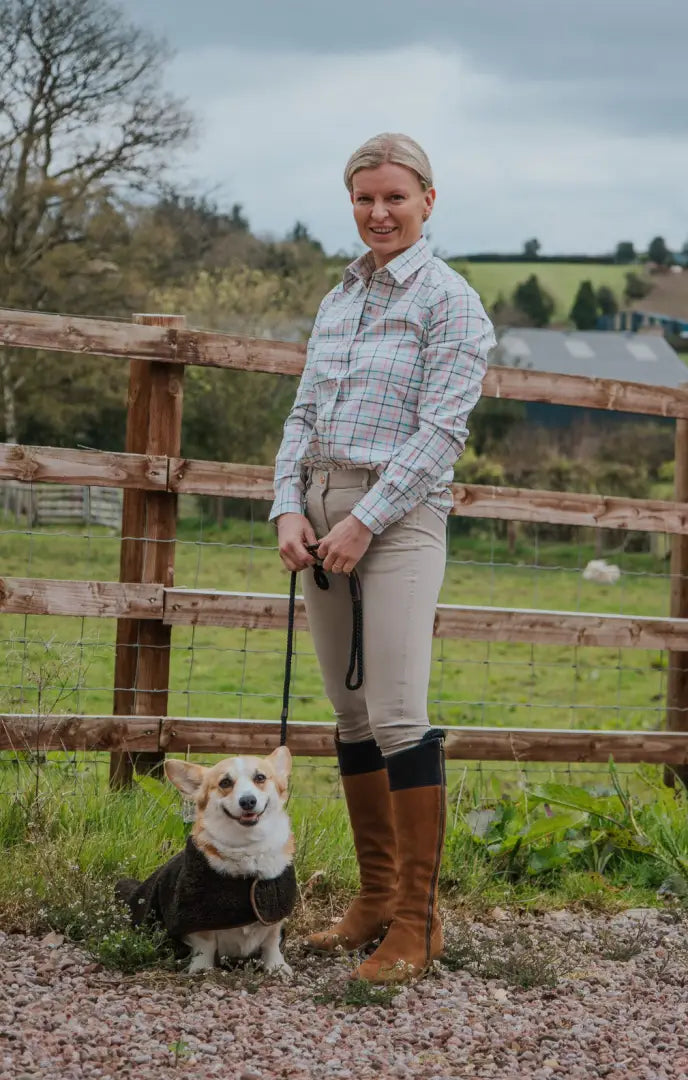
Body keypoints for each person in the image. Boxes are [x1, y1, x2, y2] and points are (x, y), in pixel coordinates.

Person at [269, 132, 495, 984]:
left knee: (398, 713)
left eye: (395, 197)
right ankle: (372, 899)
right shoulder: (339, 298)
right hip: (321, 510)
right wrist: (287, 504)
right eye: (364, 198)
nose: (379, 212)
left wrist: (364, 520)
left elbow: (440, 434)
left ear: (428, 200)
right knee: (351, 714)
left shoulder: (451, 303)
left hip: (397, 519)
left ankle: (417, 924)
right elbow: (302, 414)